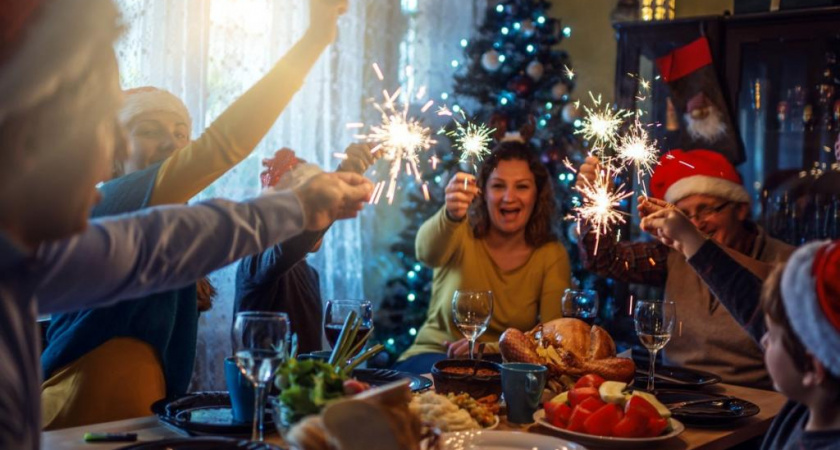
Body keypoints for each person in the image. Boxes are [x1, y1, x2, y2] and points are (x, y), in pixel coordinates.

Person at [0, 0, 371, 447]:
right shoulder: (111, 199)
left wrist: (297, 207)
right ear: (30, 131)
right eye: (103, 122)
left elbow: (175, 240)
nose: (174, 144)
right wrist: (312, 42)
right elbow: (219, 153)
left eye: (181, 131)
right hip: (84, 423)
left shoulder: (35, 260)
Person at [577, 149, 794, 389]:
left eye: (707, 209)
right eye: (685, 216)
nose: (697, 224)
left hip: (759, 401)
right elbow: (604, 259)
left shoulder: (788, 261)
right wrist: (594, 202)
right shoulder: (674, 253)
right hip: (680, 393)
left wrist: (693, 240)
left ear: (740, 209)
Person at [639, 210, 840, 449]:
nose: (763, 338)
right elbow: (745, 298)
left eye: (772, 336)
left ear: (813, 367)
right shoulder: (808, 405)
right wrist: (689, 240)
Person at [395, 139, 572, 374]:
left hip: (499, 366)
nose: (509, 197)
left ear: (537, 194)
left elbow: (553, 335)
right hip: (433, 356)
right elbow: (426, 253)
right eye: (498, 186)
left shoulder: (550, 253)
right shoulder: (459, 228)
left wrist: (487, 349)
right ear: (483, 192)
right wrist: (450, 215)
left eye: (522, 186)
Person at [234, 144, 377, 354]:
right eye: (305, 210)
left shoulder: (309, 274)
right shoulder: (255, 261)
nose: (316, 219)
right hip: (263, 383)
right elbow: (291, 246)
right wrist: (350, 169)